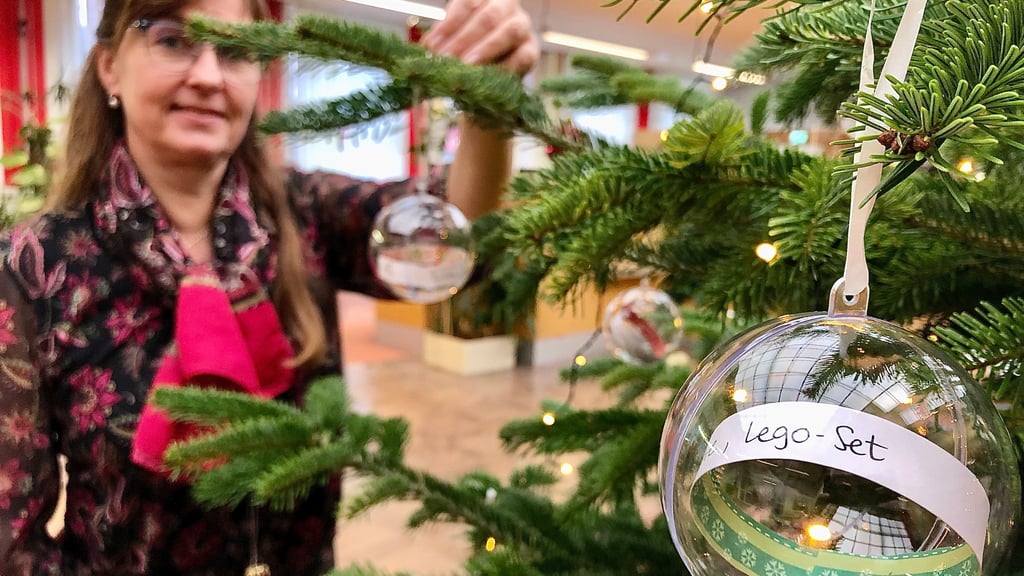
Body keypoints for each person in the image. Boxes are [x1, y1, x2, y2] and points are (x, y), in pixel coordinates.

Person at [0, 0, 538, 574]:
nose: (207, 74)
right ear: (109, 66)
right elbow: (15, 545)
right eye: (173, 39)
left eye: (235, 50)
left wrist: (489, 108)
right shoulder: (38, 266)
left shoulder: (302, 215)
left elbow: (451, 240)